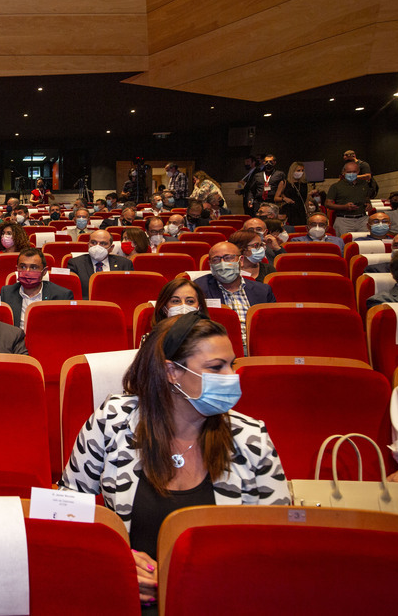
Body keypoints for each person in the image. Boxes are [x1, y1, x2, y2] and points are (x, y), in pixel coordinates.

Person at [60, 313, 290, 607]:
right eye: (216, 367)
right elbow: (64, 506)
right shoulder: (113, 420)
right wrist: (113, 559)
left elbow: (278, 544)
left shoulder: (251, 438)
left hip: (219, 601)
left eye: (232, 364)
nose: (232, 377)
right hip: (126, 600)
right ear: (171, 371)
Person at [192, 241, 276, 348]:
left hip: (256, 348)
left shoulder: (262, 291)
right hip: (215, 348)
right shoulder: (198, 288)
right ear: (210, 265)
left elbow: (272, 327)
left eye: (228, 258)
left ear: (240, 261)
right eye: (216, 259)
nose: (222, 263)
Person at [0, 247, 73, 329]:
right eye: (23, 267)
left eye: (34, 267)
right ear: (17, 268)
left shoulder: (61, 296)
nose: (27, 272)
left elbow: (64, 330)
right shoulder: (6, 293)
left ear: (44, 271)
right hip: (16, 340)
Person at [68, 229, 133, 300]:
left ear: (111, 248)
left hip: (116, 304)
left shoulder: (124, 263)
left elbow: (129, 292)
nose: (97, 247)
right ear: (88, 244)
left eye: (103, 243)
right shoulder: (75, 263)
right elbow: (73, 292)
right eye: (93, 242)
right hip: (88, 305)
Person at [325, 160, 372, 236]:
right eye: (349, 172)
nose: (351, 174)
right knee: (344, 243)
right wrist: (344, 207)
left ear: (358, 172)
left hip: (362, 219)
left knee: (366, 242)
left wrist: (368, 204)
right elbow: (328, 204)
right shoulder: (336, 186)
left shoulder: (363, 184)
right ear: (343, 172)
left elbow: (366, 197)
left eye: (354, 172)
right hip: (343, 220)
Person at [274, 161, 308, 226]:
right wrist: (284, 199)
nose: (300, 172)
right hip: (289, 211)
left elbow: (305, 200)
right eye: (298, 170)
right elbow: (276, 198)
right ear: (292, 171)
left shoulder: (304, 184)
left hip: (301, 211)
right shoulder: (284, 183)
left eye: (302, 170)